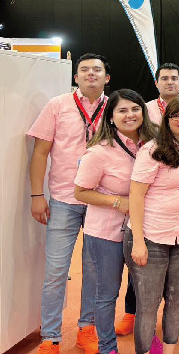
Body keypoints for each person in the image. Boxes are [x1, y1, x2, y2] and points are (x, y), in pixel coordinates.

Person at [28, 52, 110, 354]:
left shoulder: (115, 107)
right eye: (84, 70)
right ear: (75, 77)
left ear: (107, 77)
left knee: (95, 270)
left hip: (100, 200)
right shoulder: (58, 105)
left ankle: (87, 328)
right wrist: (37, 195)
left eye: (97, 70)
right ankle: (50, 336)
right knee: (55, 271)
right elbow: (40, 153)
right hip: (64, 199)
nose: (91, 74)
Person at [74, 89, 156, 354]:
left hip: (144, 231)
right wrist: (119, 203)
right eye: (122, 110)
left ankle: (147, 345)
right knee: (107, 293)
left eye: (135, 109)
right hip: (106, 232)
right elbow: (80, 192)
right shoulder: (99, 152)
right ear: (111, 117)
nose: (130, 115)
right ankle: (107, 348)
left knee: (147, 293)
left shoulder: (153, 145)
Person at [117, 63, 179, 335]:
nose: (170, 82)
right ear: (157, 83)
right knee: (143, 262)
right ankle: (132, 311)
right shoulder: (146, 109)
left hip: (176, 185)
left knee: (178, 261)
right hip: (147, 180)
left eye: (174, 78)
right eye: (165, 78)